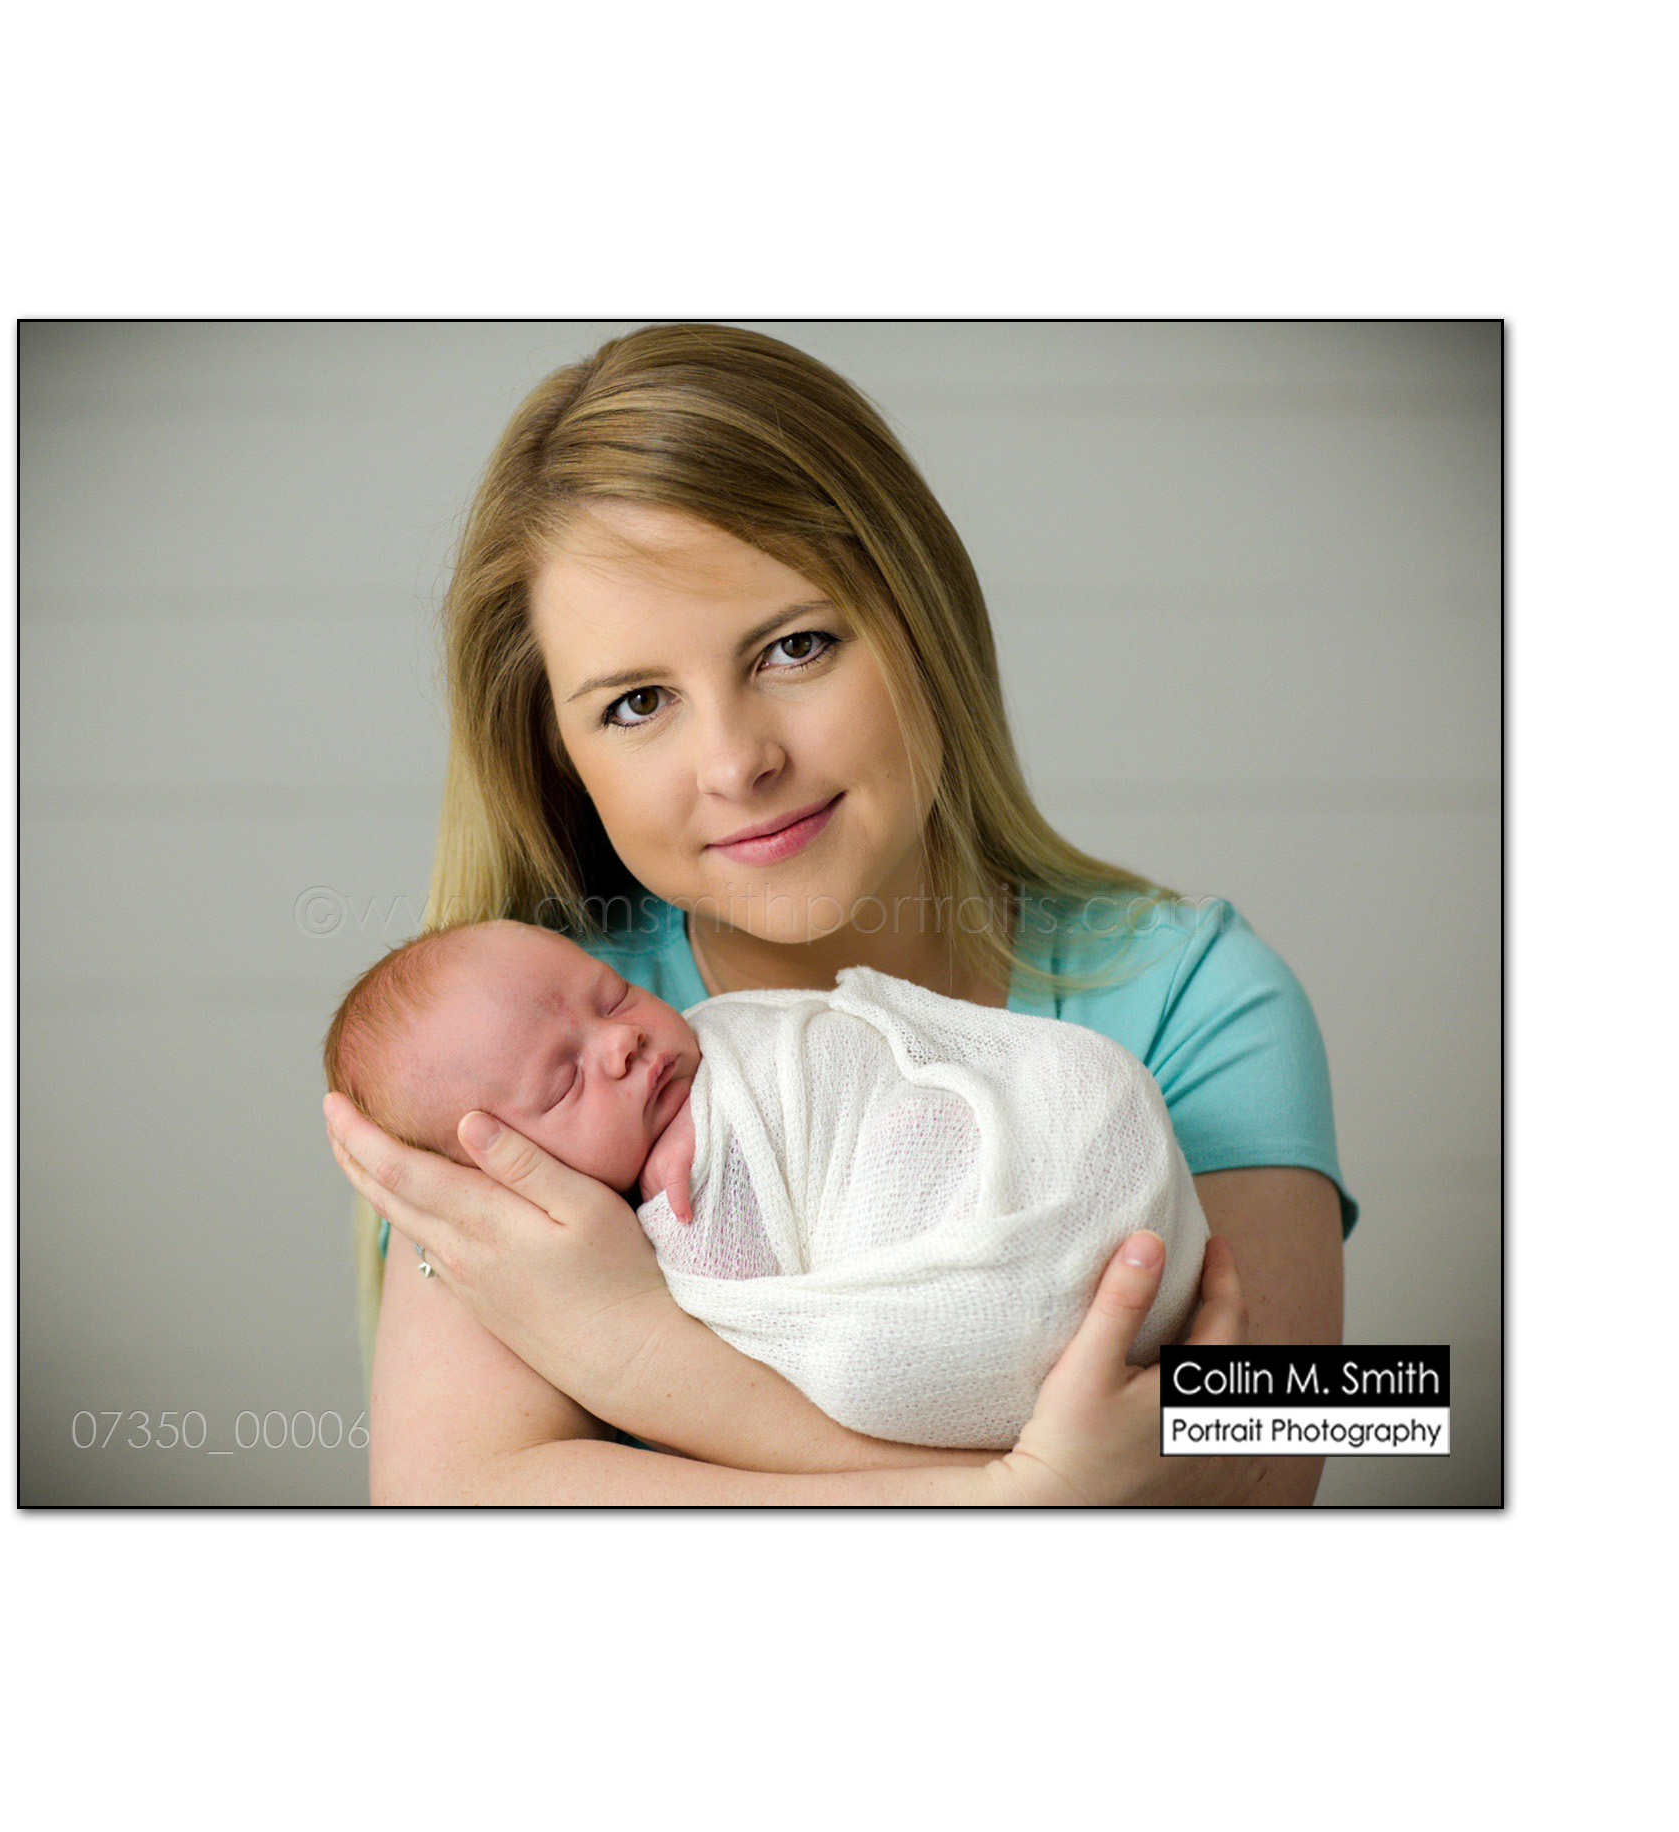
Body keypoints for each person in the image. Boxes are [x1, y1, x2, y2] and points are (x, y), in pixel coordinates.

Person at [323, 321, 1351, 1504]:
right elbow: (447, 1500)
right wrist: (1017, 1497)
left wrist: (633, 1350)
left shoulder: (1198, 992)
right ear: (557, 750)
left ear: (924, 619)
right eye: (638, 702)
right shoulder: (519, 1060)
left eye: (794, 646)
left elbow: (1307, 1446)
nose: (737, 761)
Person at [322, 917, 1209, 1449]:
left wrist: (1193, 1436)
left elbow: (1283, 1416)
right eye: (638, 704)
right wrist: (1040, 1497)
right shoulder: (483, 1192)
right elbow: (464, 1506)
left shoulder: (1190, 977)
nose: (622, 1041)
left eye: (616, 997)